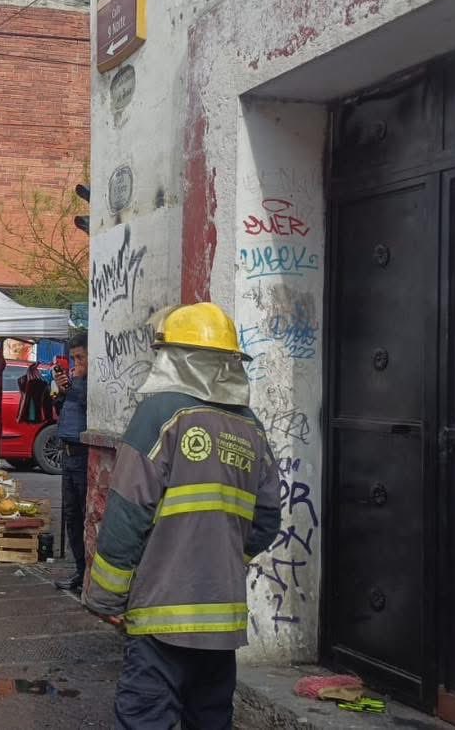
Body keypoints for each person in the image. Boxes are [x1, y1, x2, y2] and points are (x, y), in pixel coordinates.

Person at [82, 303, 281, 730]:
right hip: (221, 623)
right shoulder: (252, 428)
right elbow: (266, 523)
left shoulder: (161, 414)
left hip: (161, 618)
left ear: (173, 358)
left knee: (147, 718)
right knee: (209, 719)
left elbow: (126, 516)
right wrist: (219, 560)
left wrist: (105, 598)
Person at [54, 332, 90, 594]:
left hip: (83, 453)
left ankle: (90, 573)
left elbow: (90, 405)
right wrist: (62, 391)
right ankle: (80, 569)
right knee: (72, 517)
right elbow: (64, 410)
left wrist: (75, 383)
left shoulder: (92, 382)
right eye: (74, 357)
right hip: (68, 453)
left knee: (86, 515)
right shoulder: (77, 382)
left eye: (81, 357)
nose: (77, 363)